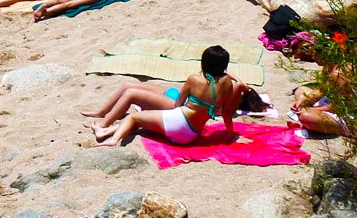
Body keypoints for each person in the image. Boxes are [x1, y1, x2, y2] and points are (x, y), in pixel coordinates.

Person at [92, 46, 244, 147]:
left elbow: (178, 104)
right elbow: (226, 113)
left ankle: (113, 140)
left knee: (134, 117)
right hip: (191, 135)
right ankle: (104, 131)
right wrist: (231, 136)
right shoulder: (227, 84)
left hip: (178, 123)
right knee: (141, 122)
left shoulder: (194, 79)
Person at [288, 59, 350, 136]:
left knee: (306, 116)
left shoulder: (341, 73)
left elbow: (339, 106)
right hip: (329, 101)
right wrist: (302, 102)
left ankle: (339, 129)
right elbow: (321, 89)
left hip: (343, 113)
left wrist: (313, 109)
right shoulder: (329, 66)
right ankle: (311, 124)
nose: (313, 57)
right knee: (301, 90)